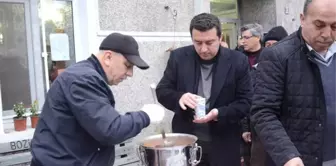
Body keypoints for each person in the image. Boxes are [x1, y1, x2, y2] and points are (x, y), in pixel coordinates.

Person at [30, 33, 165, 166]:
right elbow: (111, 130)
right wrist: (145, 115)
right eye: (127, 65)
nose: (130, 73)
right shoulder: (83, 80)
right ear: (108, 57)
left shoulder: (85, 75)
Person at [156, 13, 252, 166]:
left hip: (224, 143)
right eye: (198, 42)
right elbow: (162, 90)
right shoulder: (179, 57)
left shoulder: (238, 61)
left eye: (209, 42)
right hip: (187, 142)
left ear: (220, 38)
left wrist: (219, 113)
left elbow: (246, 102)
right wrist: (179, 97)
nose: (203, 49)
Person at [251, 0, 336, 166]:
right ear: (302, 19)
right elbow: (263, 112)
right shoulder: (277, 56)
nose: (327, 34)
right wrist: (287, 155)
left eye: (335, 26)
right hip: (300, 158)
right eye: (319, 25)